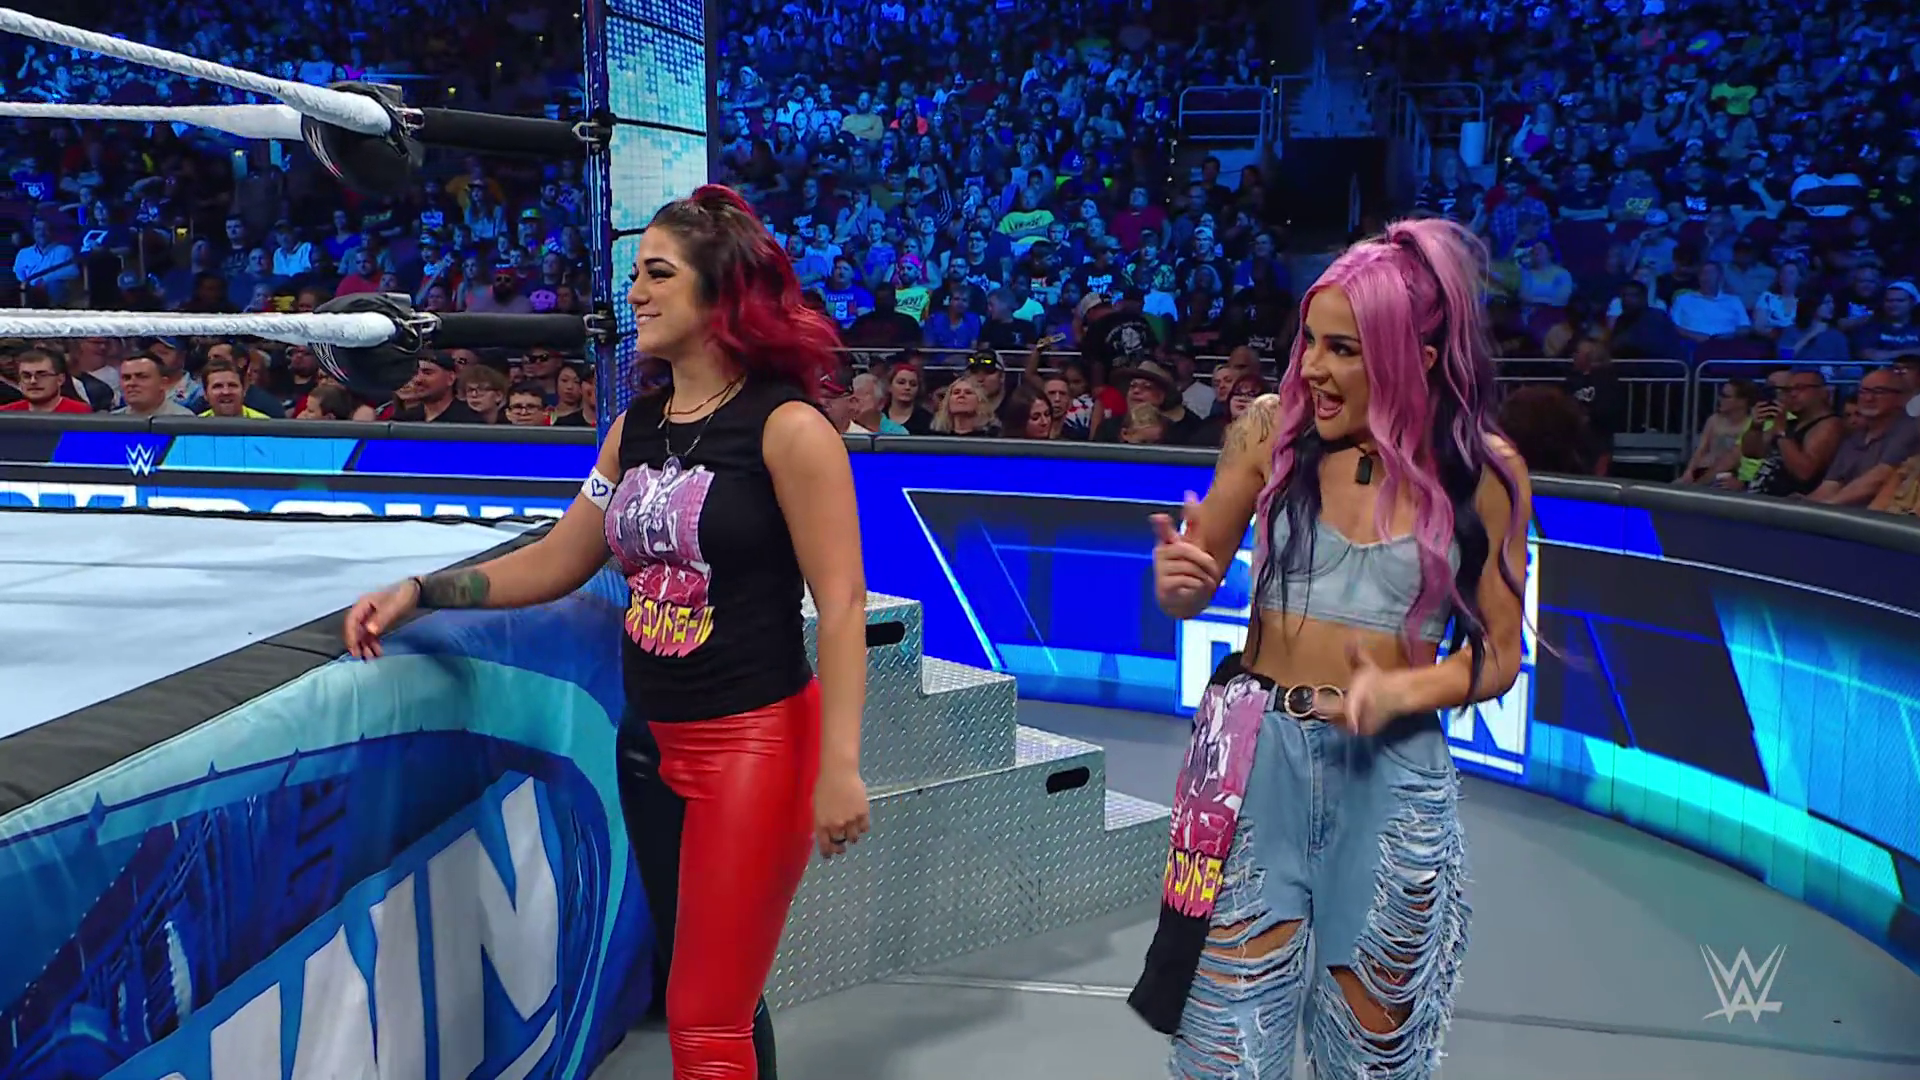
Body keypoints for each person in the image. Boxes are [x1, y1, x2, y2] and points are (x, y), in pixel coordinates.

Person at [343, 184, 873, 1080]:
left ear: (720, 291)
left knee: (704, 1020)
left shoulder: (789, 431)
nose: (635, 293)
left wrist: (842, 765)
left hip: (754, 744)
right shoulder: (636, 430)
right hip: (648, 742)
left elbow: (845, 601)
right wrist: (423, 592)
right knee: (710, 989)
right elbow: (559, 559)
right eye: (636, 274)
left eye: (658, 274)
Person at [1130, 218, 1532, 1080]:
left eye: (1343, 349)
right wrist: (1179, 584)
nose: (1311, 367)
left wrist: (1403, 692)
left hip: (1392, 779)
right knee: (1225, 1054)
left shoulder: (1483, 470)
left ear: (1417, 358)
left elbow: (1499, 655)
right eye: (1309, 341)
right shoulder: (1268, 430)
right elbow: (1195, 577)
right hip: (1248, 767)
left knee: (1372, 1060)